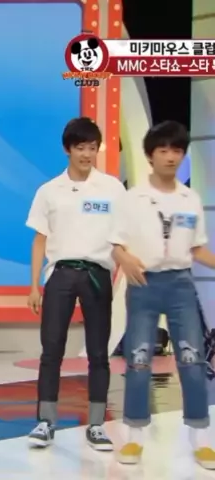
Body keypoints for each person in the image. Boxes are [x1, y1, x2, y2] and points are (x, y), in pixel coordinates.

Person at [111, 121, 215, 469]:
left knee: (192, 359)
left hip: (180, 285)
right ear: (150, 155)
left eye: (177, 151)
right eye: (163, 150)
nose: (171, 157)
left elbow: (197, 248)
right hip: (143, 285)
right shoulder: (132, 198)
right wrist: (125, 259)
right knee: (139, 360)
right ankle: (135, 435)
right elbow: (116, 244)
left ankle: (200, 437)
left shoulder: (190, 199)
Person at [25, 117, 125, 450]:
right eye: (80, 148)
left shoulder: (112, 188)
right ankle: (45, 421)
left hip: (97, 274)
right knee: (51, 349)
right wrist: (34, 285)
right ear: (68, 149)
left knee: (98, 352)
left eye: (92, 148)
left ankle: (96, 424)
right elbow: (40, 239)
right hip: (61, 274)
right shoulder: (49, 190)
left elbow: (122, 235)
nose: (87, 154)